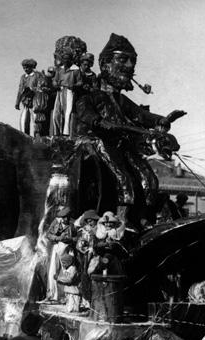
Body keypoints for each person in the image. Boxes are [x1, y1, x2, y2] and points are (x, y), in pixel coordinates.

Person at [76, 33, 186, 224]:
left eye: (132, 61)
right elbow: (84, 111)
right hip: (100, 144)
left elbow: (142, 116)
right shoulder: (92, 95)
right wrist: (99, 122)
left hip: (123, 146)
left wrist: (162, 121)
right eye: (123, 59)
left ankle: (143, 221)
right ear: (104, 64)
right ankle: (120, 224)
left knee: (149, 180)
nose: (129, 66)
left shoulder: (122, 100)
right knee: (123, 181)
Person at [44, 207, 76, 303]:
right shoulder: (56, 223)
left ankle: (64, 296)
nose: (65, 219)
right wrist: (58, 238)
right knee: (53, 270)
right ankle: (52, 295)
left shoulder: (72, 225)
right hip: (57, 248)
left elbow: (76, 237)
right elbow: (48, 235)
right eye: (63, 217)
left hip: (67, 250)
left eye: (67, 217)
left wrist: (69, 239)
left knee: (66, 271)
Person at [74, 209, 100, 309]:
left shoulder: (99, 230)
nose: (90, 223)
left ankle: (94, 300)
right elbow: (79, 244)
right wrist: (84, 248)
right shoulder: (83, 231)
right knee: (84, 276)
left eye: (92, 221)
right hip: (85, 257)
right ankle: (86, 301)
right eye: (88, 221)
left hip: (96, 256)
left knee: (92, 275)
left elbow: (99, 240)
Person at [15, 59, 44, 137]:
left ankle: (37, 137)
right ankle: (25, 137)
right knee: (24, 120)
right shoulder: (23, 77)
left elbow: (41, 87)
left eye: (27, 67)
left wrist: (32, 89)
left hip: (35, 101)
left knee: (36, 120)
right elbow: (20, 90)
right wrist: (17, 102)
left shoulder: (37, 75)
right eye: (24, 67)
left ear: (32, 67)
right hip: (26, 101)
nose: (25, 69)